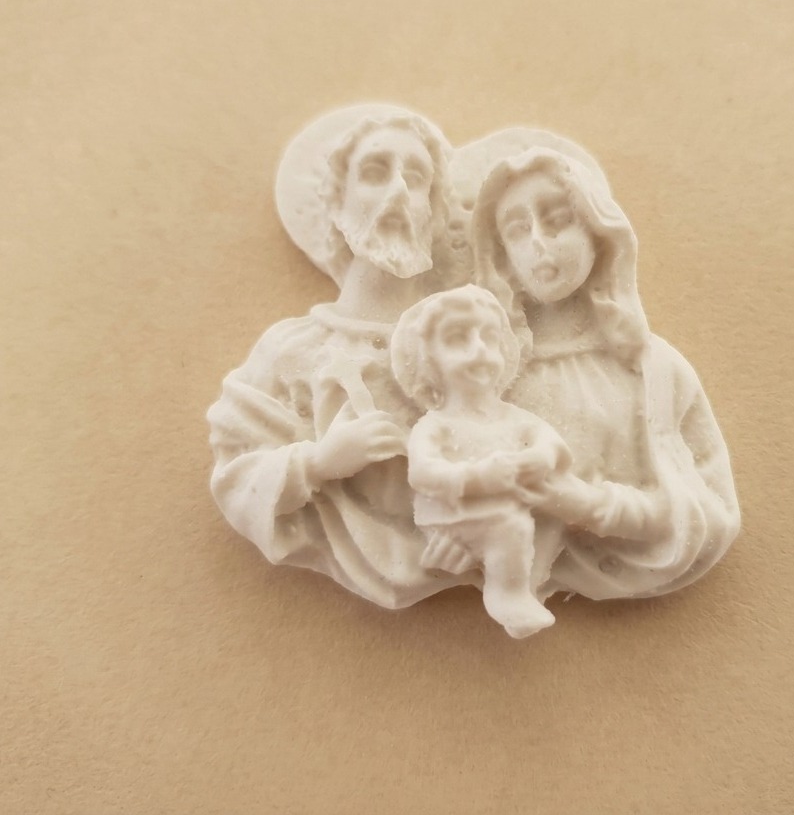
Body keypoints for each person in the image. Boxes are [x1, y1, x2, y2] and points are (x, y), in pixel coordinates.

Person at [207, 112, 467, 608]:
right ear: (338, 201)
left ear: (433, 212)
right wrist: (320, 461)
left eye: (415, 178)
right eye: (374, 172)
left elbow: (505, 451)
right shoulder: (290, 350)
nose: (397, 191)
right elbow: (235, 472)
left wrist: (473, 529)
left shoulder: (465, 344)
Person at [472, 147, 740, 601]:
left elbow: (711, 510)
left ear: (597, 232)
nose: (538, 242)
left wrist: (594, 507)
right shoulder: (490, 375)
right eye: (517, 230)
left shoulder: (655, 372)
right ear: (503, 258)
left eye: (557, 220)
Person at [392, 285, 571, 638]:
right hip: (450, 513)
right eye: (458, 339)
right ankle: (507, 594)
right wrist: (478, 478)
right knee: (511, 526)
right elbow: (423, 473)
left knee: (518, 523)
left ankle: (512, 578)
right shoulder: (436, 425)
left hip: (499, 510)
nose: (479, 351)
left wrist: (540, 457)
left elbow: (552, 445)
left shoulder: (515, 418)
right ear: (430, 361)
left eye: (489, 338)